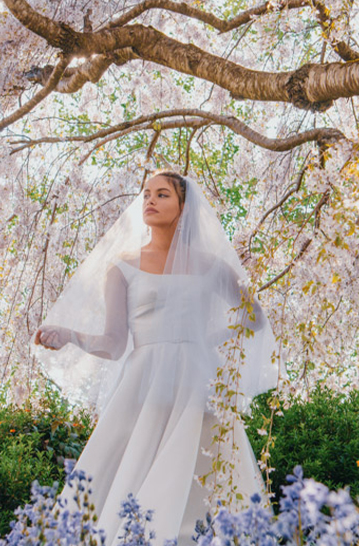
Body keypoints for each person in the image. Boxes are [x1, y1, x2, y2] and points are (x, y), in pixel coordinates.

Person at [31, 170, 277, 545]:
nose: (150, 200)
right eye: (146, 193)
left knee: (204, 480)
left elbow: (254, 317)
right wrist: (69, 336)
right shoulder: (124, 267)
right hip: (144, 388)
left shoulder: (211, 265)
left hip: (198, 386)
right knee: (130, 478)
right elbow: (114, 345)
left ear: (183, 206)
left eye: (162, 194)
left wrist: (208, 338)